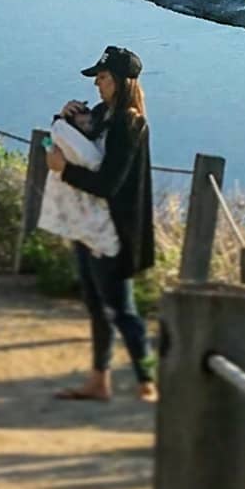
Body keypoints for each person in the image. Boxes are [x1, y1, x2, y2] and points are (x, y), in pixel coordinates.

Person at [48, 43, 156, 402]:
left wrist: (65, 172)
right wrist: (63, 119)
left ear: (123, 82)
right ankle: (100, 379)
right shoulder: (101, 114)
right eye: (97, 77)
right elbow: (77, 143)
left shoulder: (130, 124)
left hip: (116, 231)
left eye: (104, 77)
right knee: (96, 305)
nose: (97, 84)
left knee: (123, 310)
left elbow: (109, 183)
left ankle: (148, 380)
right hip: (89, 224)